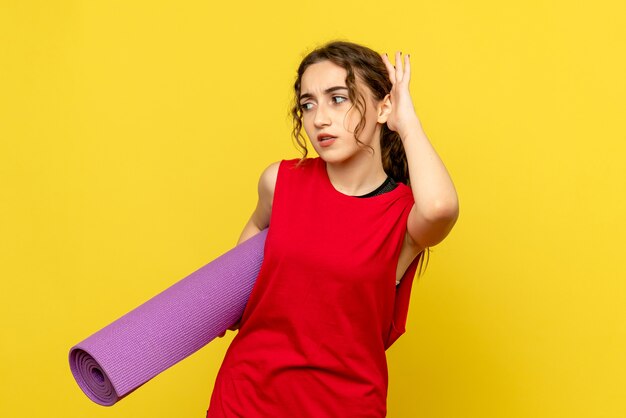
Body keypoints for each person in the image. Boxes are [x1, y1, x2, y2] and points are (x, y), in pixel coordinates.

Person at [207, 40, 459, 417]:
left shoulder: (405, 216)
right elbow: (236, 282)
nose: (319, 119)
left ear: (384, 107)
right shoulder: (280, 182)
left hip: (345, 406)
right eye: (308, 105)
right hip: (246, 399)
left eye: (337, 99)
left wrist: (407, 123)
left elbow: (441, 208)